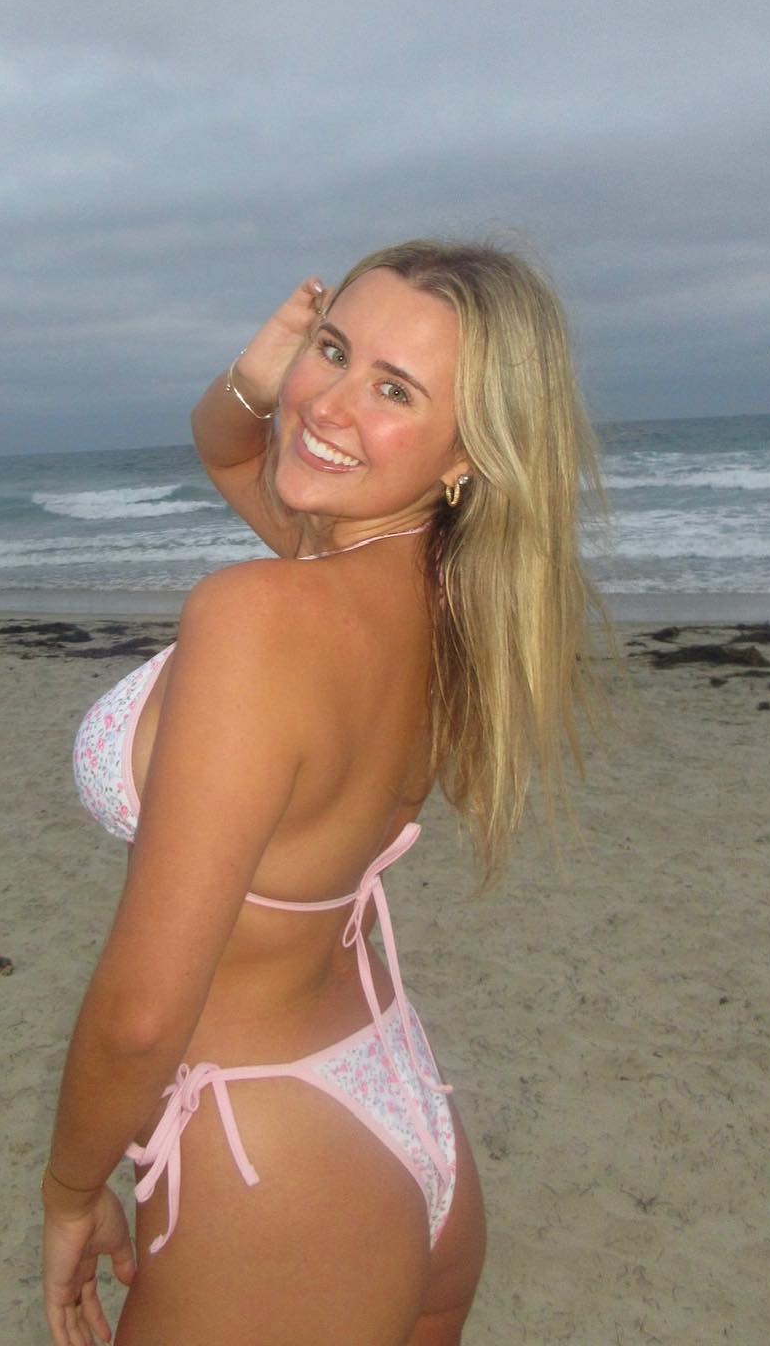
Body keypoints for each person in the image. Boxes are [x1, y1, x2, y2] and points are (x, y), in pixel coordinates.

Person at [41, 239, 606, 1344]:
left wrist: (69, 1191)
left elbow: (145, 1014)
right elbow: (228, 445)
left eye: (395, 390)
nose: (329, 406)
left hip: (272, 1155)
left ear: (467, 450)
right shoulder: (445, 598)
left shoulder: (263, 616)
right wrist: (264, 376)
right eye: (334, 351)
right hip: (393, 1100)